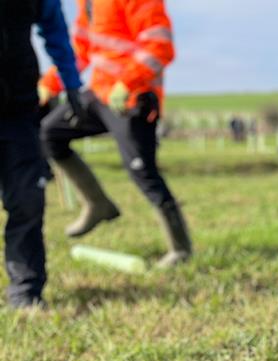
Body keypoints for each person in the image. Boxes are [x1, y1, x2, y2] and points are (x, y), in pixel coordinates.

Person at [38, 0, 191, 268]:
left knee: (142, 171)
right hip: (99, 91)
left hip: (134, 97)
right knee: (50, 133)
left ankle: (180, 248)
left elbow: (160, 47)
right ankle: (98, 204)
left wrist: (128, 81)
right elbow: (81, 49)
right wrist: (51, 82)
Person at [0, 0, 83, 309]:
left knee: (27, 201)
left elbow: (54, 28)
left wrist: (72, 83)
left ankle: (25, 292)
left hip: (18, 107)